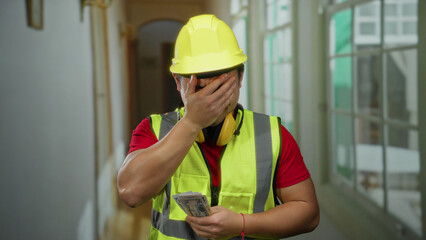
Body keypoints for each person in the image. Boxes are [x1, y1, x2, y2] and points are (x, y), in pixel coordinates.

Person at [117, 14, 319, 240]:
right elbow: (131, 193)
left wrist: (242, 224)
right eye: (198, 88)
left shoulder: (272, 135)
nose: (209, 100)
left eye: (220, 86)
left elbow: (308, 214)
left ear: (241, 77)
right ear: (177, 82)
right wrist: (192, 123)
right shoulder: (153, 129)